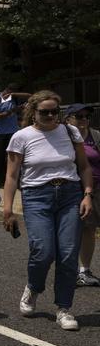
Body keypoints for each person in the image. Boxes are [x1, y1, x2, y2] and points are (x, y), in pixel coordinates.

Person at [2, 91, 94, 331]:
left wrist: (87, 195)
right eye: (45, 112)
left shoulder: (70, 132)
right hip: (37, 197)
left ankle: (64, 308)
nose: (51, 116)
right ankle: (33, 286)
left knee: (68, 254)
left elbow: (84, 167)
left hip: (70, 194)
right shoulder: (21, 137)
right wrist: (8, 209)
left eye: (55, 111)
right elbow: (12, 176)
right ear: (33, 112)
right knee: (43, 250)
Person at [65, 104, 100, 287]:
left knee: (89, 229)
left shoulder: (95, 136)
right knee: (71, 231)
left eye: (87, 116)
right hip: (71, 188)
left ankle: (84, 271)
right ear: (68, 118)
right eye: (79, 116)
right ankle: (67, 271)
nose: (84, 120)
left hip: (95, 189)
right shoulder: (63, 137)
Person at [0, 83, 21, 187]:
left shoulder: (13, 98)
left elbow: (30, 96)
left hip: (13, 132)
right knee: (0, 158)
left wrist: (14, 95)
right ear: (6, 90)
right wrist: (11, 111)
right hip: (0, 133)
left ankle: (14, 180)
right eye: (11, 92)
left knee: (14, 157)